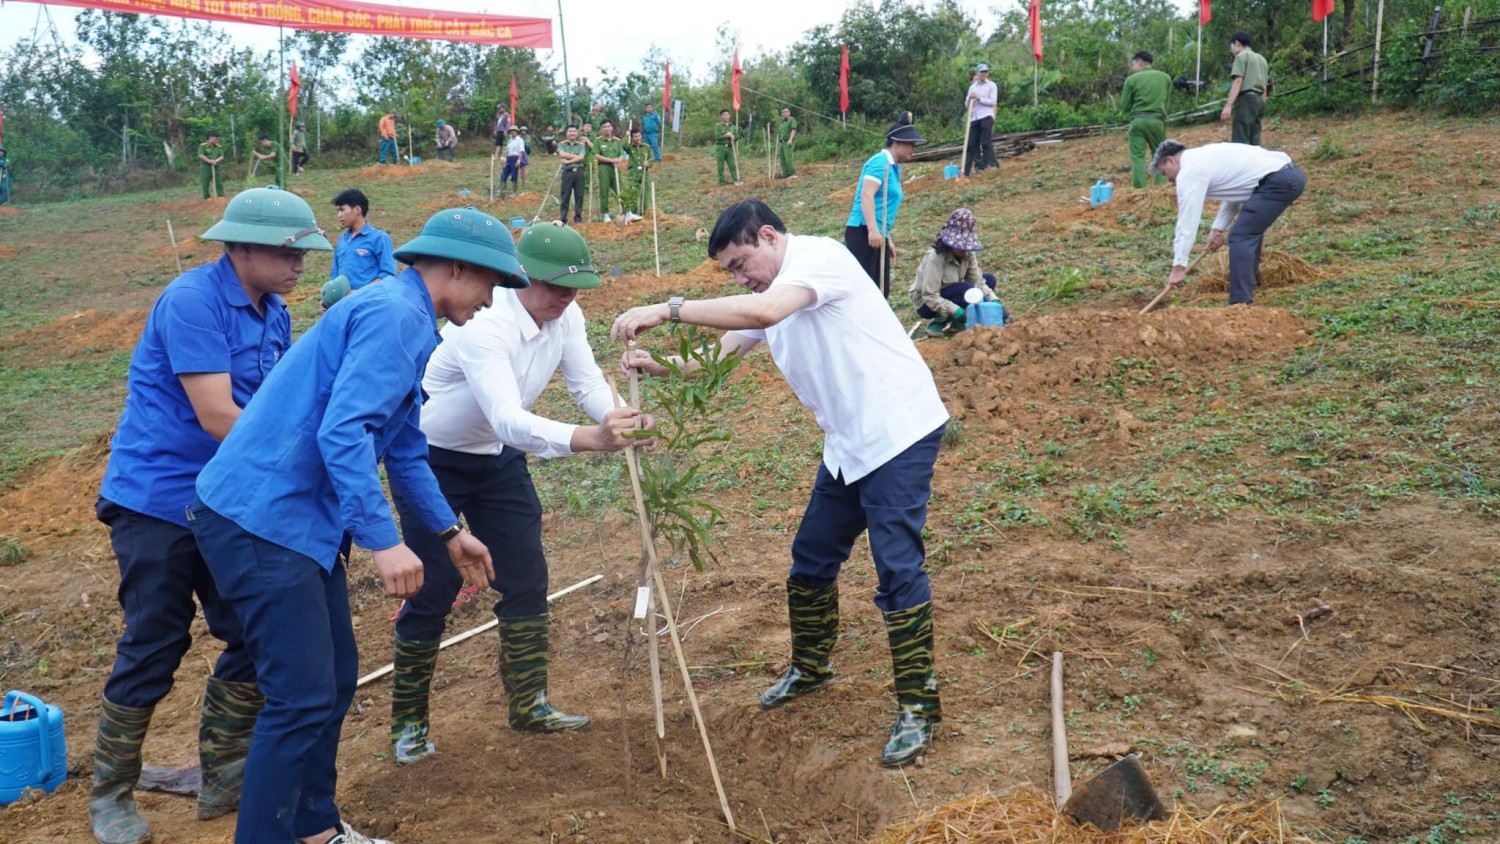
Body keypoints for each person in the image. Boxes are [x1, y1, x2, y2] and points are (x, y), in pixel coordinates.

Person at [187, 207, 523, 844]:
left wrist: (451, 533)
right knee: (297, 699)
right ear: (456, 268)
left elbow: (402, 446)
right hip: (261, 519)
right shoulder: (395, 316)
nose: (490, 302)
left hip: (295, 525)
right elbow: (343, 432)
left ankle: (314, 829)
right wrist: (385, 542)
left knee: (333, 680)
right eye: (490, 285)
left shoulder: (407, 316)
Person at [613, 199, 949, 767]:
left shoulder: (821, 261)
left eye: (741, 263)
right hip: (849, 443)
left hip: (897, 432)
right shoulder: (768, 294)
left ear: (769, 236)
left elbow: (764, 313)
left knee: (896, 567)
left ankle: (920, 707)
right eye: (730, 274)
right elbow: (717, 359)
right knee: (812, 557)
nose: (739, 278)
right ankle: (811, 666)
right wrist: (661, 366)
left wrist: (667, 309)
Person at [88, 188, 332, 844]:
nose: (299, 263)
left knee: (256, 630)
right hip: (160, 499)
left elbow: (269, 402)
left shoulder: (274, 311)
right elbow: (219, 415)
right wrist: (307, 456)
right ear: (241, 246)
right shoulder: (193, 301)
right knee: (155, 639)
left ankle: (224, 772)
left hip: (227, 500)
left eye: (304, 251)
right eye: (287, 251)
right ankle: (110, 792)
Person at [388, 223, 651, 765]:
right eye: (558, 286)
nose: (568, 297)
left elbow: (584, 383)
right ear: (523, 277)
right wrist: (590, 439)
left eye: (576, 287)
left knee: (526, 573)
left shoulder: (566, 315)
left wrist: (614, 415)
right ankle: (409, 722)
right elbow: (508, 419)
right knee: (433, 586)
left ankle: (529, 703)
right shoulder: (482, 325)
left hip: (497, 462)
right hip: (433, 461)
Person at [1151, 139, 1307, 305]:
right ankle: (1250, 282)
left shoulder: (1190, 171)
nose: (1168, 179)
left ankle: (1240, 303)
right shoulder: (1203, 157)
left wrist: (1178, 267)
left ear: (1170, 161)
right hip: (1286, 176)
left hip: (1278, 181)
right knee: (1248, 230)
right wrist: (1217, 229)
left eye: (1164, 172)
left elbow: (1187, 221)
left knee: (1241, 236)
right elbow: (1236, 193)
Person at [846, 116, 926, 296]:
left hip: (876, 232)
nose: (913, 150)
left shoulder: (894, 168)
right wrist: (873, 230)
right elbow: (867, 195)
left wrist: (885, 235)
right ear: (897, 143)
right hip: (862, 231)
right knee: (867, 291)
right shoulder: (879, 162)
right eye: (911, 145)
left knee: (881, 290)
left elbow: (882, 205)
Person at [908, 208, 1001, 337]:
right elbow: (929, 295)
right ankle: (940, 321)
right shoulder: (936, 258)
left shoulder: (968, 253)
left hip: (952, 292)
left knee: (989, 280)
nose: (964, 250)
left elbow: (978, 281)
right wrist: (957, 311)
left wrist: (994, 301)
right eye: (960, 246)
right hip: (926, 303)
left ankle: (958, 323)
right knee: (965, 289)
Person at [328, 188, 397, 296]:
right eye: (337, 211)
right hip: (344, 304)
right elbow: (334, 276)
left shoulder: (379, 239)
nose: (339, 215)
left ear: (357, 210)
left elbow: (388, 275)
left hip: (369, 303)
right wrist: (329, 297)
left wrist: (360, 293)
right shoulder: (342, 239)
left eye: (342, 210)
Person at [1121, 51, 1172, 189]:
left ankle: (1139, 190)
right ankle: (1160, 189)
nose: (1133, 68)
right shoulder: (1165, 78)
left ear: (1139, 63)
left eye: (1133, 65)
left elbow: (1125, 106)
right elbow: (1166, 103)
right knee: (1160, 155)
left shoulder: (1131, 80)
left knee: (1138, 157)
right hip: (1157, 121)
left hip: (1138, 122)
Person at [1223, 30, 1269, 145]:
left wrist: (1229, 105)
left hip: (1245, 100)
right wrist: (1262, 104)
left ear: (1237, 43)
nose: (1231, 50)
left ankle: (1241, 162)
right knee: (1255, 138)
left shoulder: (1241, 57)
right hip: (1259, 101)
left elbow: (1238, 81)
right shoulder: (1262, 59)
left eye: (1231, 46)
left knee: (1241, 138)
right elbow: (1265, 86)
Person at [963, 63, 998, 175]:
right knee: (971, 144)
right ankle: (965, 171)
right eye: (982, 72)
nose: (984, 74)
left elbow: (993, 102)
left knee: (985, 142)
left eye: (985, 72)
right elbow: (967, 105)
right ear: (977, 73)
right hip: (974, 117)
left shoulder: (992, 85)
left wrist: (979, 98)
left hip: (986, 116)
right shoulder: (972, 87)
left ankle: (985, 167)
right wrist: (970, 99)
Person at [593, 120, 625, 221]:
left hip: (615, 168)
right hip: (604, 168)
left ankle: (627, 211)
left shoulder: (617, 141)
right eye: (604, 127)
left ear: (612, 128)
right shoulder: (598, 141)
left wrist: (619, 160)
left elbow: (621, 154)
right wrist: (611, 160)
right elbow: (597, 155)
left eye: (608, 126)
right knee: (604, 190)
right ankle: (605, 214)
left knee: (621, 189)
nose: (607, 128)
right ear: (601, 129)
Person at [557, 126, 588, 225]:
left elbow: (582, 157)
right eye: (570, 131)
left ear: (577, 133)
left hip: (579, 172)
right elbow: (562, 154)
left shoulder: (581, 145)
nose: (572, 133)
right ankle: (563, 218)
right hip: (567, 172)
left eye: (574, 131)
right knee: (565, 195)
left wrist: (568, 161)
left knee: (579, 195)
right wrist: (577, 157)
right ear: (567, 133)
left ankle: (578, 218)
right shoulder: (562, 144)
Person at [624, 128, 651, 220]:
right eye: (635, 137)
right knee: (633, 191)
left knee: (645, 191)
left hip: (644, 171)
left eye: (639, 136)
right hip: (633, 172)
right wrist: (626, 135)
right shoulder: (630, 147)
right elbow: (623, 145)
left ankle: (643, 211)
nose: (637, 138)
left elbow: (652, 158)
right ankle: (633, 213)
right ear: (632, 138)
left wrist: (648, 163)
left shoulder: (646, 147)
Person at [713, 110, 740, 186]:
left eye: (727, 114)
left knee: (732, 165)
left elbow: (737, 136)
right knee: (720, 166)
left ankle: (736, 179)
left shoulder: (733, 126)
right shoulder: (718, 126)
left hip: (730, 148)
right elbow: (717, 137)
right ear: (721, 116)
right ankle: (722, 182)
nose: (726, 116)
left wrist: (734, 137)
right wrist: (726, 135)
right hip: (720, 148)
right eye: (724, 115)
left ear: (729, 116)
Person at [198, 133, 225, 199]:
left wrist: (216, 161)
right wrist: (209, 161)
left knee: (218, 181)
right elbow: (201, 155)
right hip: (206, 167)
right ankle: (207, 197)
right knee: (205, 182)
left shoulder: (218, 147)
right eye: (216, 139)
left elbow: (222, 156)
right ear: (211, 138)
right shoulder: (203, 146)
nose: (217, 140)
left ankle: (221, 195)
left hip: (216, 166)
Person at [500, 127, 524, 198]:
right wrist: (504, 159)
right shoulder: (509, 141)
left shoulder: (520, 140)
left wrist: (519, 160)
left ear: (517, 132)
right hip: (508, 158)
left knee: (514, 175)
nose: (512, 132)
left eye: (514, 131)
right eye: (511, 131)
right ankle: (502, 192)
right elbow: (506, 151)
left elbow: (521, 151)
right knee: (503, 175)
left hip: (515, 158)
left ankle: (514, 192)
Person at [776, 107, 798, 179]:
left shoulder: (792, 120)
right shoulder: (783, 122)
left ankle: (792, 173)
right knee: (782, 159)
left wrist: (790, 139)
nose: (784, 113)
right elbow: (780, 133)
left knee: (788, 158)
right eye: (783, 112)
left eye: (786, 112)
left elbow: (793, 130)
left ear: (789, 113)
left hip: (788, 141)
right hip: (782, 142)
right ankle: (785, 175)